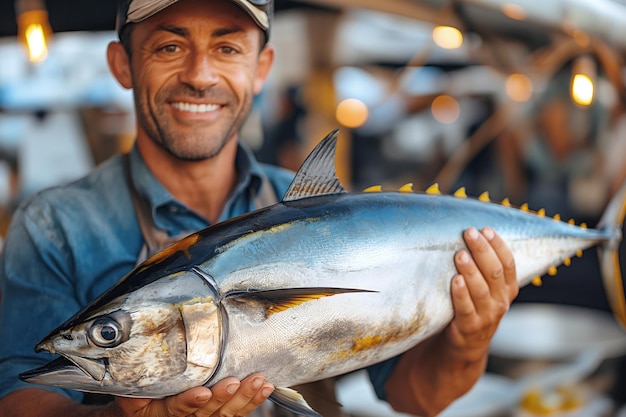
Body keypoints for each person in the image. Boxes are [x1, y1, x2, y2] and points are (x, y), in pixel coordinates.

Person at [0, 1, 519, 416]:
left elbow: (415, 398)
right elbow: (16, 396)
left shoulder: (337, 213)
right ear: (123, 64)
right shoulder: (54, 226)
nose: (200, 74)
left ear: (261, 67)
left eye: (227, 47)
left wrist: (470, 340)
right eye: (169, 45)